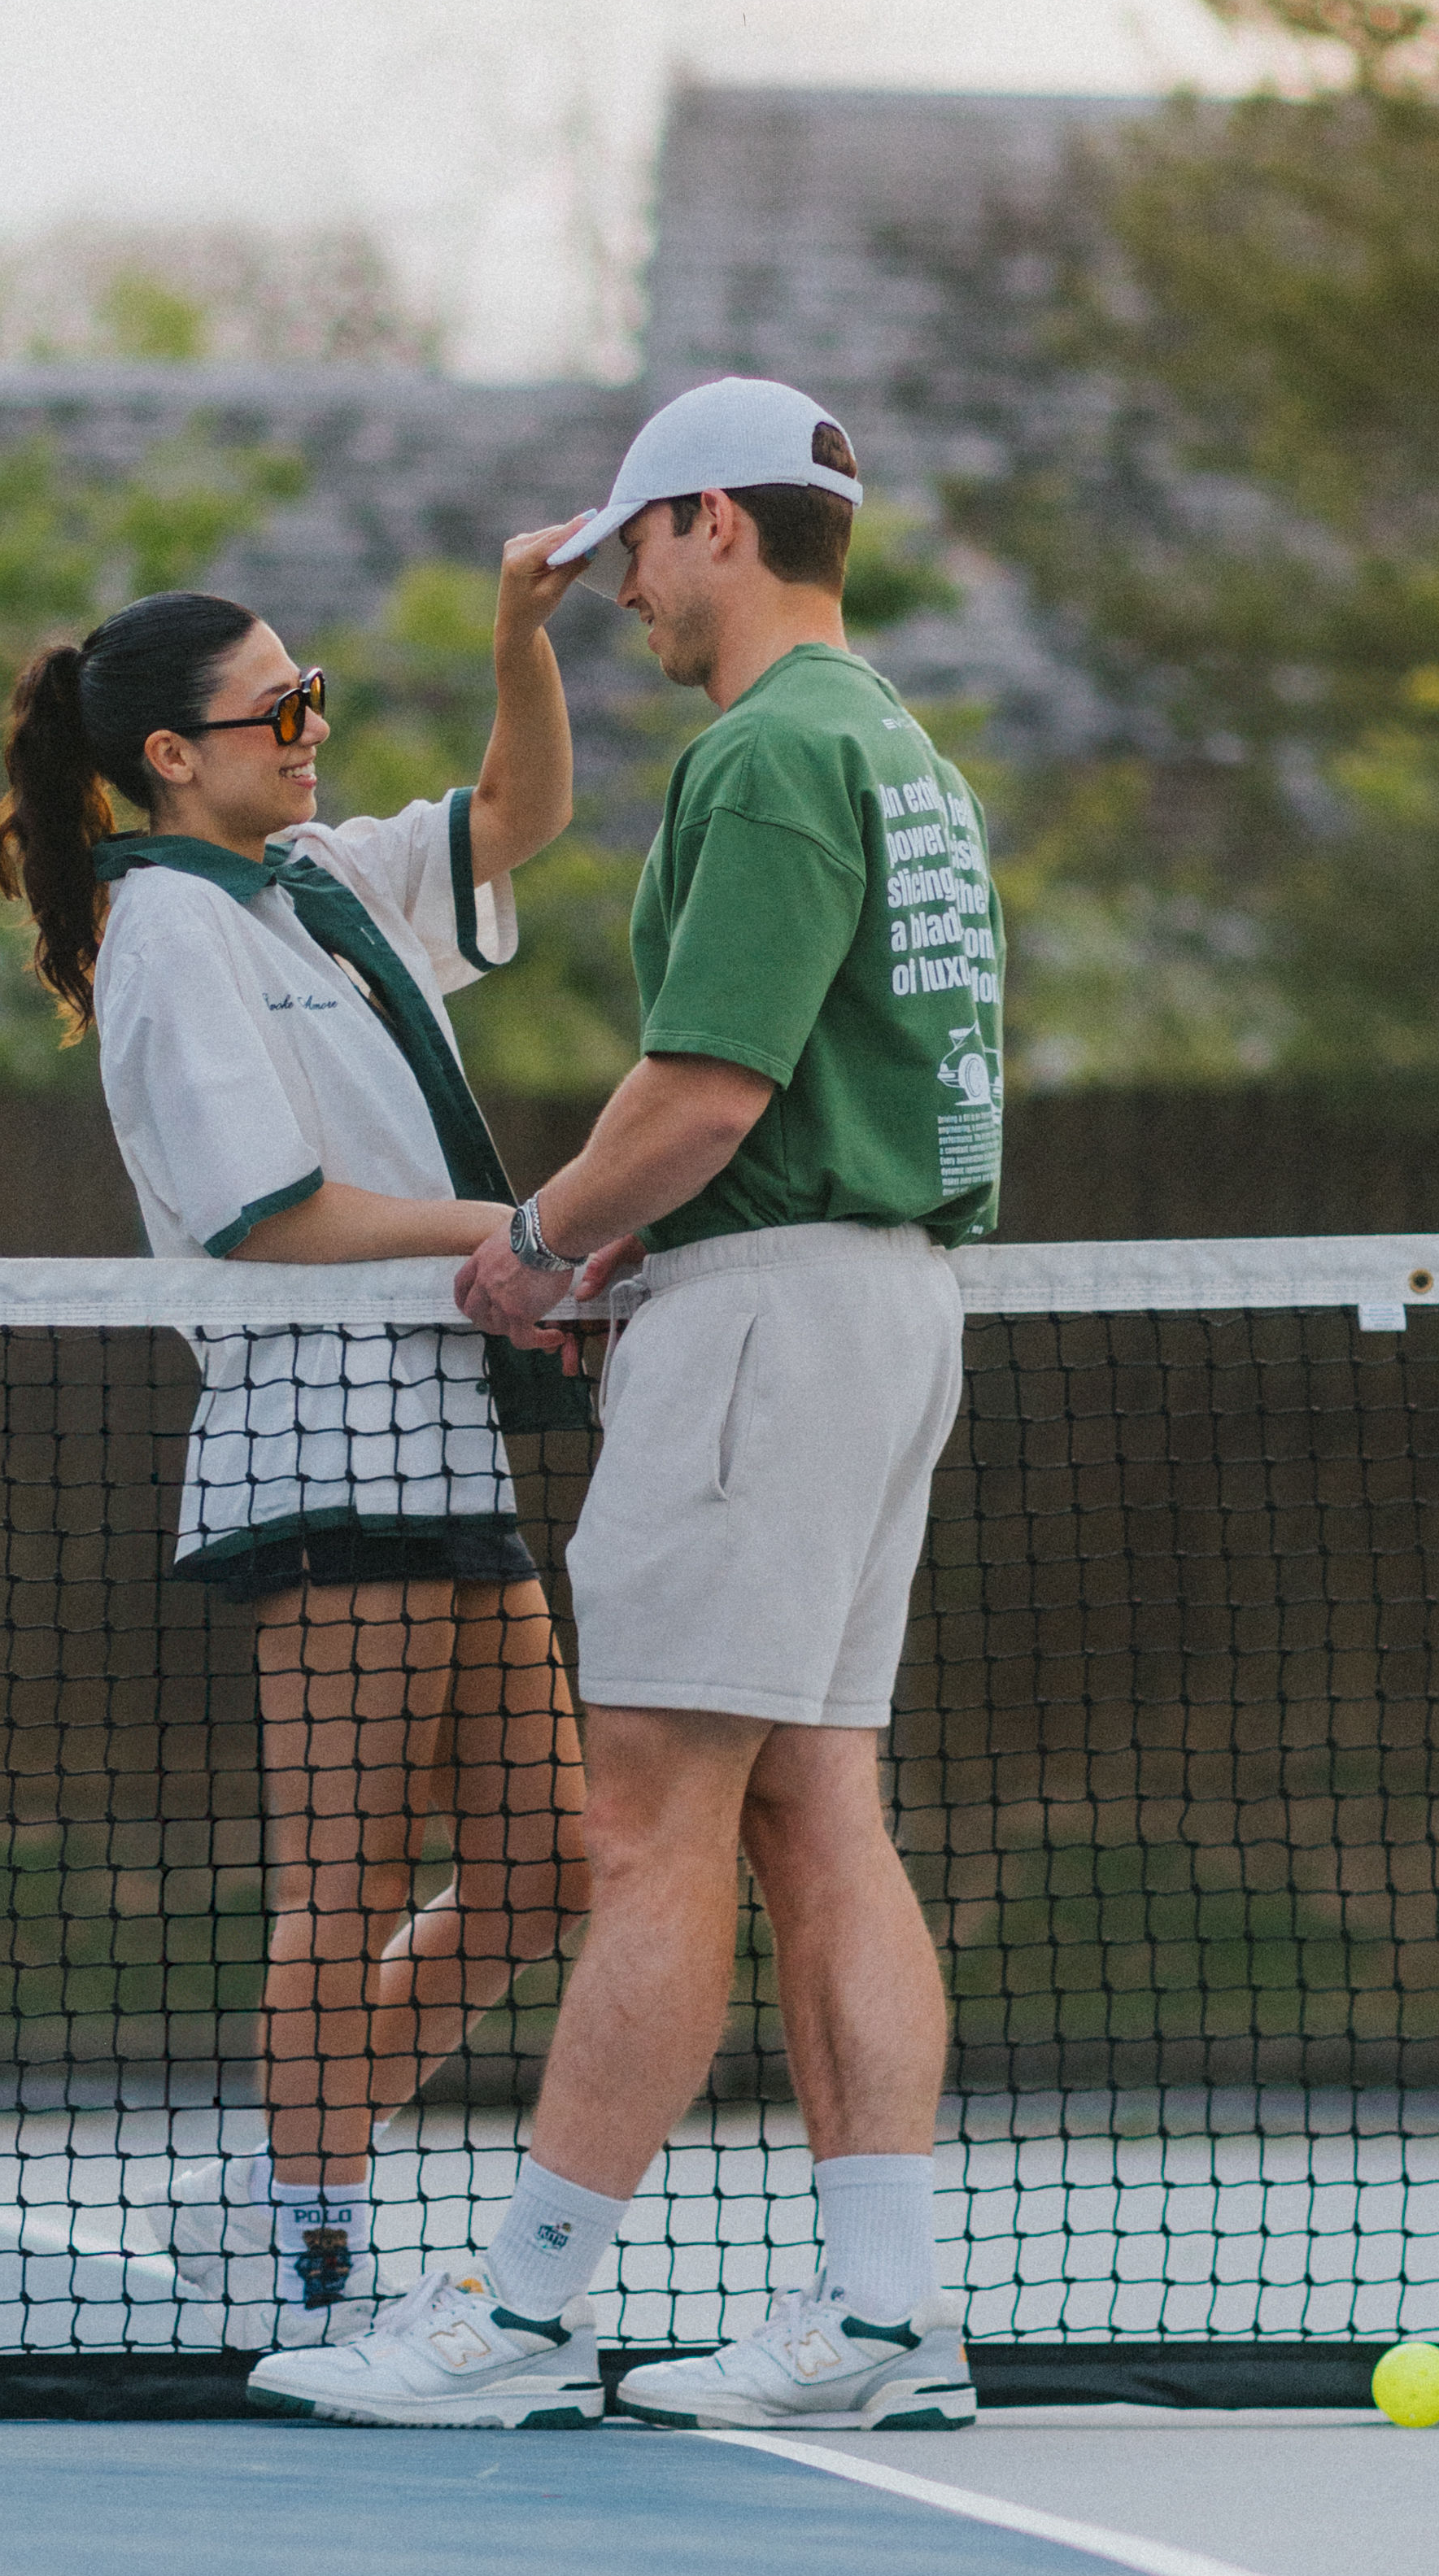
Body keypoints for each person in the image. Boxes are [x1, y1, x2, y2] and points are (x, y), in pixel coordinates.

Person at [246, 375, 1002, 2433]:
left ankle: (525, 2313)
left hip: (766, 1329)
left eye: (640, 551)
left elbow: (706, 1093)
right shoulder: (904, 755)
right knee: (819, 1816)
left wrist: (546, 1246)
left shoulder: (765, 758)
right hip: (886, 1313)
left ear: (717, 530)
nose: (633, 597)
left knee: (644, 1827)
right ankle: (883, 2320)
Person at [0, 535, 595, 2339]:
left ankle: (270, 2177)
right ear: (175, 751)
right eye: (283, 708)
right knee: (344, 1884)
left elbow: (518, 815)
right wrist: (523, 1235)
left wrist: (516, 632)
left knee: (550, 1868)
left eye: (315, 698)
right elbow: (269, 1212)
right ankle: (312, 2246)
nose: (312, 728)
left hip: (445, 1442)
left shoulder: (318, 880)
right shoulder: (166, 929)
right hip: (318, 1444)